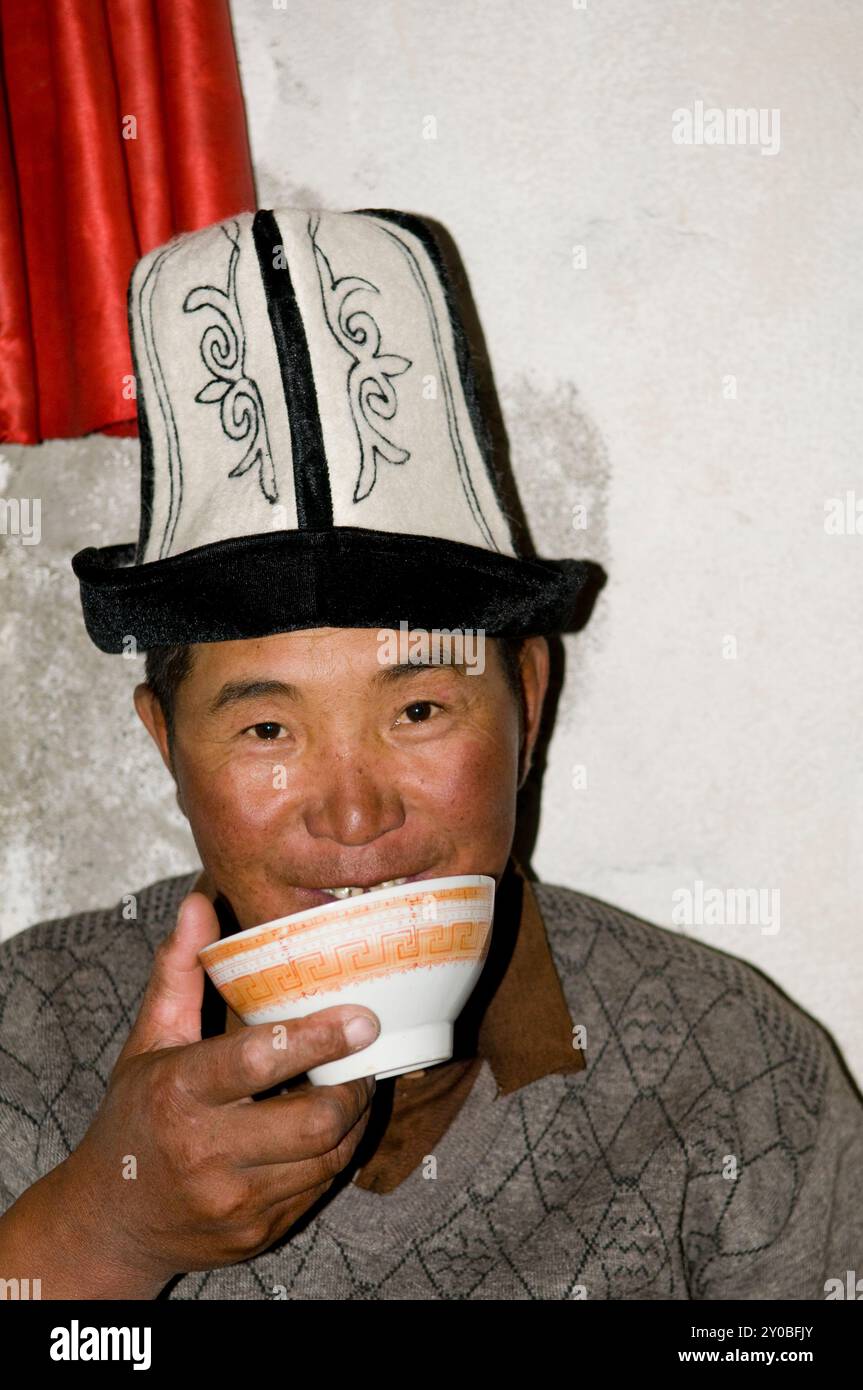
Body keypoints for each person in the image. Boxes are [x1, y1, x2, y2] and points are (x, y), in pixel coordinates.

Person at [1, 208, 860, 1301]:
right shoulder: (28, 1039)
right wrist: (101, 1233)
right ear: (165, 745)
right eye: (268, 729)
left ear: (528, 704)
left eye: (415, 712)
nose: (353, 816)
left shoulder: (733, 1076)